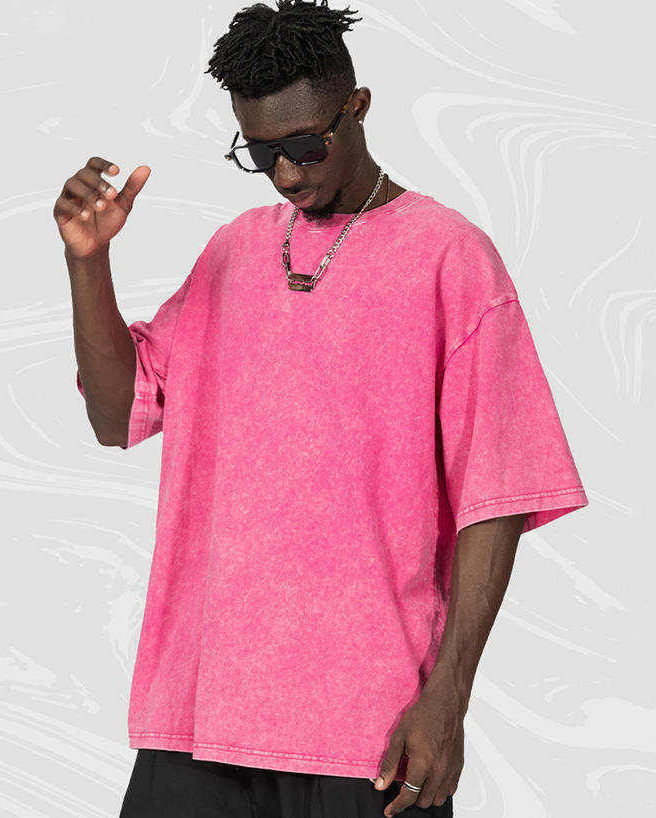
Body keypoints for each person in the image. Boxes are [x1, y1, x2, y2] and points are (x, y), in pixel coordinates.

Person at [55, 1, 589, 816]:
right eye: (261, 153)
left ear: (358, 107)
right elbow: (114, 416)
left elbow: (499, 495)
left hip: (368, 734)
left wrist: (448, 698)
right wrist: (88, 265)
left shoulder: (449, 258)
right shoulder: (233, 250)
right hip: (198, 717)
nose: (287, 174)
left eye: (306, 146)